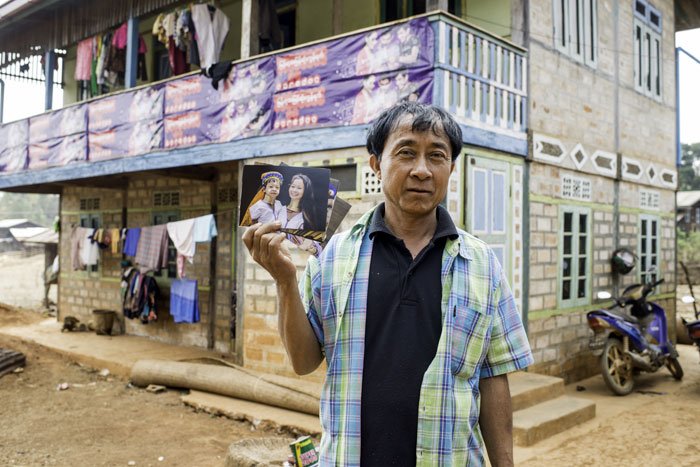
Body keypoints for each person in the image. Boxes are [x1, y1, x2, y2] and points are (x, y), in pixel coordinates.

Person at [242, 102, 533, 466]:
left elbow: (493, 379)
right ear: (377, 164)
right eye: (406, 152)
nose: (422, 170)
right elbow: (303, 362)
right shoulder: (333, 257)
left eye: (437, 156)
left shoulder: (482, 264)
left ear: (452, 168)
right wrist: (285, 281)